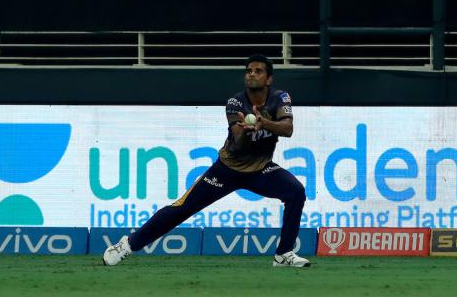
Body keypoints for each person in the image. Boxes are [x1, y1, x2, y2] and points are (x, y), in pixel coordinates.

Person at [103, 54, 310, 267]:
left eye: (258, 71)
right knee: (181, 209)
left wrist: (264, 123)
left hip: (261, 171)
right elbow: (238, 144)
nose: (252, 75)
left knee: (295, 192)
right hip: (227, 170)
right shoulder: (235, 102)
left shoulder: (280, 97)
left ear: (269, 79)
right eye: (249, 71)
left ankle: (283, 254)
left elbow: (288, 129)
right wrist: (248, 131)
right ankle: (127, 245)